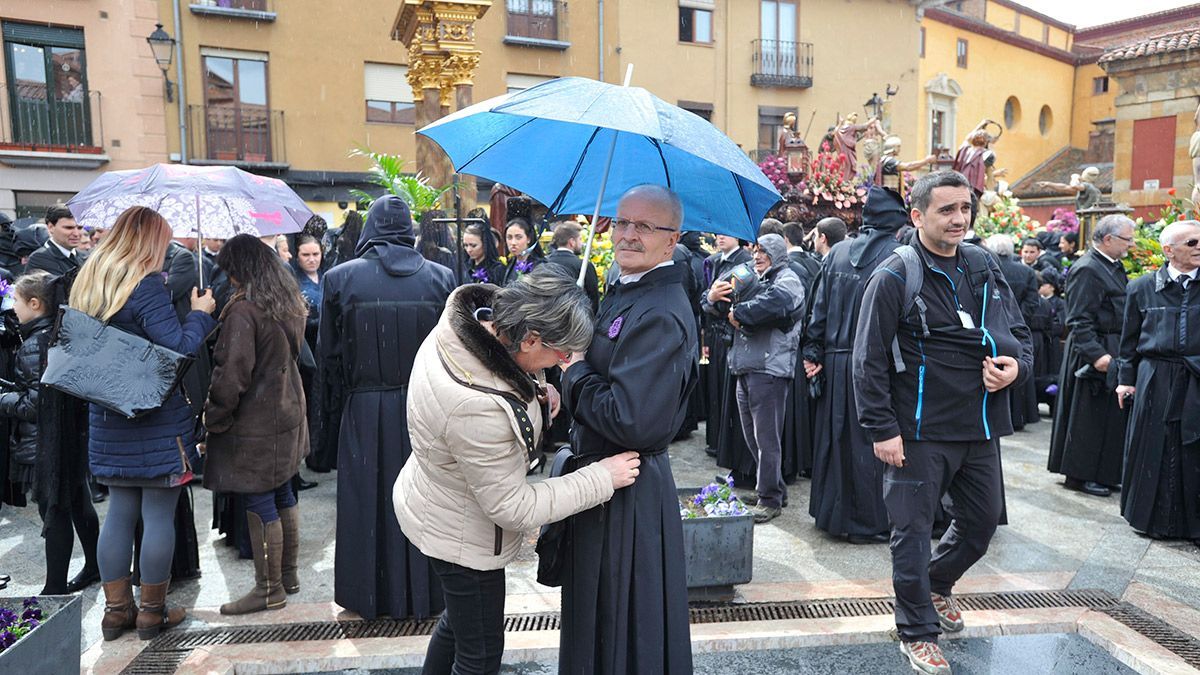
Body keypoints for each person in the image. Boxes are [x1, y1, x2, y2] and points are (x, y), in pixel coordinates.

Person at [395, 269, 641, 673]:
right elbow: (513, 507)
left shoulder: (468, 328)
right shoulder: (477, 405)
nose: (564, 364)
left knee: (459, 626)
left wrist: (534, 387)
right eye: (561, 355)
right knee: (480, 657)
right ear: (529, 339)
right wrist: (600, 478)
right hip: (463, 534)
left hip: (438, 500)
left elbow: (503, 376)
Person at [854, 170, 1033, 675]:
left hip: (979, 425)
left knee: (980, 525)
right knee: (910, 534)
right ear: (917, 217)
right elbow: (866, 358)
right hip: (916, 430)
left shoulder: (981, 263)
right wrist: (881, 429)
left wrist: (1017, 367)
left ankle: (935, 585)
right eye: (946, 210)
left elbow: (1017, 329)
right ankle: (916, 631)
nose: (959, 219)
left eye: (965, 209)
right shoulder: (894, 274)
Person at [558, 184, 696, 674]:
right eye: (622, 222)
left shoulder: (658, 311)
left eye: (645, 226)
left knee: (622, 628)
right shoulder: (627, 289)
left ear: (671, 239)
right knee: (601, 623)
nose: (629, 235)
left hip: (628, 492)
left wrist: (574, 374)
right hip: (604, 483)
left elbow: (631, 418)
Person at [71, 206, 217, 641]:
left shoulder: (90, 280)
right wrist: (200, 313)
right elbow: (176, 349)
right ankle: (152, 613)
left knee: (118, 512)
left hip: (108, 413)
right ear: (150, 242)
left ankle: (116, 613)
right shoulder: (146, 284)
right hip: (154, 418)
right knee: (158, 515)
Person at [318, 195, 455, 620]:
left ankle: (368, 594)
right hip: (427, 407)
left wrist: (325, 432)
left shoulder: (340, 279)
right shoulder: (442, 278)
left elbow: (329, 360)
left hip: (364, 407)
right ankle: (426, 593)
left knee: (366, 501)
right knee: (428, 500)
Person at [202, 234, 309, 615]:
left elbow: (231, 375)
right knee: (282, 491)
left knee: (260, 496)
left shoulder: (245, 312)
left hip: (256, 420)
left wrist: (214, 418)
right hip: (286, 411)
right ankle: (288, 575)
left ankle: (268, 589)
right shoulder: (286, 301)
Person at [803, 186, 907, 544]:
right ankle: (870, 521)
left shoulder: (838, 253)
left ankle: (833, 515)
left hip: (835, 361)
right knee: (871, 441)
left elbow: (817, 308)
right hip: (878, 364)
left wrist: (813, 353)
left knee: (836, 438)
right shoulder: (902, 255)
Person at [0, 271, 100, 595]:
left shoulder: (35, 343)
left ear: (34, 303)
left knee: (54, 510)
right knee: (78, 501)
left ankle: (54, 588)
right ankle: (95, 566)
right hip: (71, 439)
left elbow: (34, 405)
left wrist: (2, 399)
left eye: (15, 300)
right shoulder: (59, 334)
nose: (11, 306)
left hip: (46, 444)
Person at [705, 234, 803, 522]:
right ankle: (772, 489)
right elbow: (715, 304)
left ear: (777, 253)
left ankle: (770, 498)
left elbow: (776, 305)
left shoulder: (788, 279)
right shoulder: (751, 277)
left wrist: (738, 311)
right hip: (746, 366)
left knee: (766, 438)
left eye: (764, 251)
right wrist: (713, 298)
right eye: (756, 251)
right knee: (754, 436)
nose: (757, 256)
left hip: (768, 369)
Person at [1117, 220, 1200, 541]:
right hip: (1155, 376)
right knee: (1155, 446)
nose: (1198, 248)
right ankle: (1153, 521)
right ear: (1168, 250)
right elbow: (1128, 340)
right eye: (1191, 243)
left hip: (1196, 377)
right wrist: (1125, 380)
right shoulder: (1141, 288)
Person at [1048, 215, 1135, 498]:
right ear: (1108, 239)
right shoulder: (1087, 268)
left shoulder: (1111, 265)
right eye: (1127, 239)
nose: (1131, 245)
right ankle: (1080, 475)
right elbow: (1078, 319)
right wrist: (1097, 355)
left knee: (1106, 418)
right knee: (1087, 418)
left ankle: (1102, 472)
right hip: (1091, 351)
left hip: (1110, 346)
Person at [985, 234, 1041, 429]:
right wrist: (1016, 321)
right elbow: (1033, 303)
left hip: (992, 329)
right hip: (1017, 328)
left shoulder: (985, 266)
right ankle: (1018, 417)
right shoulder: (1025, 272)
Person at [544, 221, 600, 314]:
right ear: (572, 242)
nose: (582, 243)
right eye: (580, 239)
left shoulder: (544, 262)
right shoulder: (583, 266)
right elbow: (593, 300)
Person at [27, 206, 86, 277]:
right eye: (69, 228)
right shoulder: (39, 259)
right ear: (51, 227)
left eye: (80, 228)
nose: (76, 234)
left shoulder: (85, 257)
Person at [500, 218, 545, 286]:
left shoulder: (540, 266)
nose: (513, 242)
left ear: (528, 239)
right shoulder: (510, 263)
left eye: (518, 237)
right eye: (509, 237)